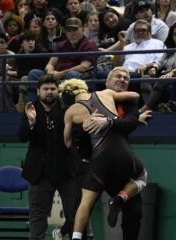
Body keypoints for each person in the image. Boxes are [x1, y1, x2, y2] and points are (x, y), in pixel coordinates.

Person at [60, 78, 147, 240]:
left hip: (98, 158)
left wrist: (81, 129)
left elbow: (67, 143)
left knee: (85, 203)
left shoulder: (70, 111)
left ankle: (76, 238)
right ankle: (120, 199)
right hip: (120, 150)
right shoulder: (105, 93)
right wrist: (110, 117)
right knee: (142, 177)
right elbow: (135, 95)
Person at [79, 67, 152, 240]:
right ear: (107, 82)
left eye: (126, 78)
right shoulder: (92, 100)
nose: (122, 79)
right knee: (79, 207)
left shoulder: (130, 104)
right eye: (118, 76)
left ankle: (118, 201)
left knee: (134, 211)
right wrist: (84, 125)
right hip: (93, 162)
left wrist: (108, 122)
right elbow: (78, 126)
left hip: (119, 164)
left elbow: (130, 123)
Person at [18, 75, 78, 240]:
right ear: (38, 91)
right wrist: (30, 122)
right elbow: (22, 137)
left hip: (66, 170)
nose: (49, 92)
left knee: (74, 213)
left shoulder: (68, 109)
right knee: (37, 216)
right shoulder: (30, 108)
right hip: (39, 172)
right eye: (45, 89)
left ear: (57, 91)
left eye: (53, 89)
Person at [139, 21, 176, 112]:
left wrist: (173, 72)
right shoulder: (170, 49)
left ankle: (145, 109)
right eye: (175, 34)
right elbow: (160, 62)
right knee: (144, 78)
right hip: (165, 75)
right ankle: (152, 108)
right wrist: (155, 68)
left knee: (162, 79)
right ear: (171, 36)